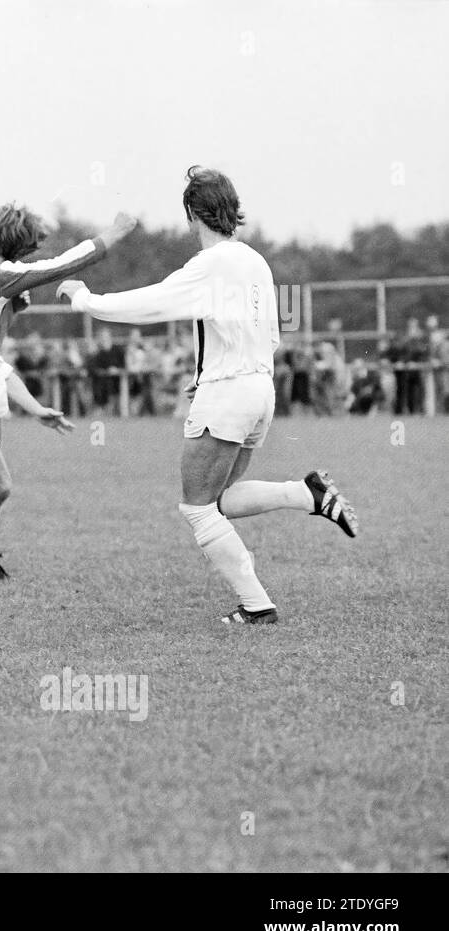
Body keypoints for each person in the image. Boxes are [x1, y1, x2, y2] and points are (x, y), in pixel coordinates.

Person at [57, 166, 358, 625]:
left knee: (196, 507)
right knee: (221, 499)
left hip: (229, 394)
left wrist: (85, 298)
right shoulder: (256, 260)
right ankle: (307, 493)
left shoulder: (210, 264)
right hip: (260, 389)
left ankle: (256, 604)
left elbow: (150, 302)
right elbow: (268, 334)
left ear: (193, 215)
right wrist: (213, 373)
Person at [0, 202, 138, 580]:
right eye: (29, 248)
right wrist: (116, 232)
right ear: (16, 245)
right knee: (0, 484)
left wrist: (11, 305)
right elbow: (64, 265)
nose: (31, 255)